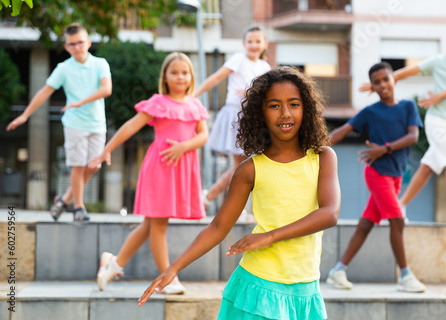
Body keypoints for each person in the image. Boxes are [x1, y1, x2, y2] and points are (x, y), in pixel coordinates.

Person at [138, 67, 340, 320]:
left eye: (294, 104)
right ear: (260, 113)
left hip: (307, 289)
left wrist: (269, 237)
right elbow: (218, 227)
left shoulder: (323, 157)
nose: (285, 113)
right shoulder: (250, 169)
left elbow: (329, 213)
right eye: (274, 106)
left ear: (306, 109)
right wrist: (173, 268)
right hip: (259, 287)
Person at [89, 52, 209, 294]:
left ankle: (114, 263)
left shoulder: (195, 104)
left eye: (184, 72)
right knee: (159, 225)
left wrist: (183, 147)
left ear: (191, 76)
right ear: (165, 76)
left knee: (150, 225)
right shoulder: (158, 102)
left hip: (181, 168)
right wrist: (106, 150)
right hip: (161, 168)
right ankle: (168, 279)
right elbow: (131, 126)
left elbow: (203, 134)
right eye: (174, 72)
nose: (180, 77)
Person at [361, 24, 446, 226]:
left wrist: (439, 96)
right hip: (438, 121)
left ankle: (401, 206)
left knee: (427, 168)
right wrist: (380, 84)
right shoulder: (439, 61)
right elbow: (407, 72)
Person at [327, 62, 426, 293]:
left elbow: (413, 136)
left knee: (366, 224)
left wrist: (384, 148)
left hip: (396, 175)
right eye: (377, 82)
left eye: (385, 79)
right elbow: (342, 131)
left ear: (394, 80)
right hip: (376, 173)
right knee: (398, 220)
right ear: (372, 87)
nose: (382, 85)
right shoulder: (370, 112)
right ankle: (405, 276)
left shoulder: (408, 107)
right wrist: (315, 143)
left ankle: (337, 271)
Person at [6, 23, 112, 222]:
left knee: (94, 166)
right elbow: (45, 91)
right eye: (72, 44)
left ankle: (63, 200)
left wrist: (81, 101)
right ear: (66, 47)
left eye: (80, 42)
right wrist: (25, 115)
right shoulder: (63, 68)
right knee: (78, 166)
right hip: (74, 123)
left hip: (97, 123)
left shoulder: (100, 64)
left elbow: (106, 89)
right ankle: (79, 208)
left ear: (88, 42)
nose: (77, 47)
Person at [193, 25, 270, 209]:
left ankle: (211, 197)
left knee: (245, 166)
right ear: (244, 43)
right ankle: (215, 199)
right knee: (241, 165)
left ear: (265, 44)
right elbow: (216, 78)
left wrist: (251, 92)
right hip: (236, 115)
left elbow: (267, 93)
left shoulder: (265, 67)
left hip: (254, 119)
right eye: (250, 41)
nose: (253, 45)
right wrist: (194, 95)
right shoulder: (238, 59)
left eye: (257, 41)